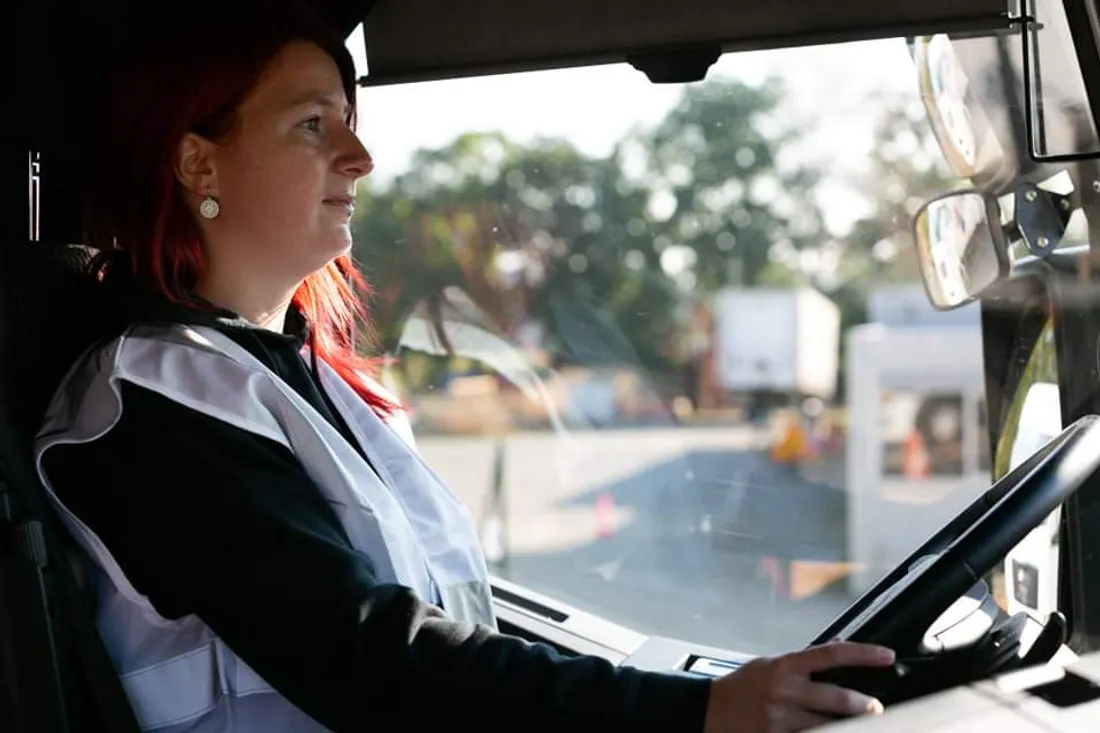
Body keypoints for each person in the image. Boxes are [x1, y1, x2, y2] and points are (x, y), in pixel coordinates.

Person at [34, 2, 897, 731]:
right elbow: (375, 655)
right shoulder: (149, 398)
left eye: (349, 123)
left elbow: (445, 625)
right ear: (198, 162)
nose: (360, 159)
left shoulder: (296, 374)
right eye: (312, 125)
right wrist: (698, 710)